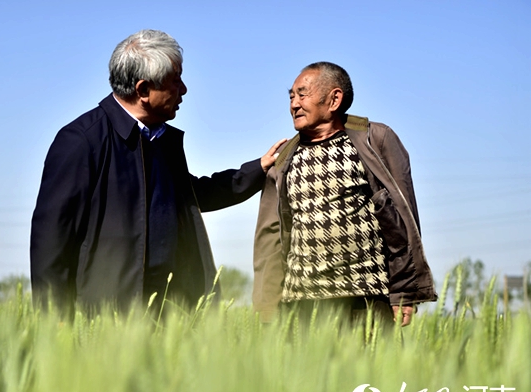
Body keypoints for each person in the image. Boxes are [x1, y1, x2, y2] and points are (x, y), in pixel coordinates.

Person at [30, 29, 282, 315]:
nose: (184, 89)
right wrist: (55, 320)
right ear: (143, 90)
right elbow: (52, 239)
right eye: (176, 80)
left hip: (170, 313)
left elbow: (193, 195)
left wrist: (256, 170)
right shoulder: (81, 141)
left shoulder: (160, 141)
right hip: (107, 317)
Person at [253, 62, 436, 326]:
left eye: (302, 94)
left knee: (375, 369)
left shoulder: (376, 141)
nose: (294, 104)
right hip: (303, 305)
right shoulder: (282, 161)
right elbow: (269, 237)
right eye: (291, 96)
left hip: (367, 300)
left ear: (334, 99)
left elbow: (404, 222)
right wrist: (267, 308)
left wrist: (404, 293)